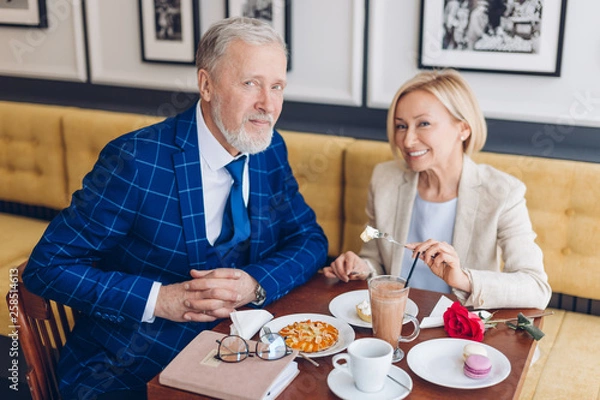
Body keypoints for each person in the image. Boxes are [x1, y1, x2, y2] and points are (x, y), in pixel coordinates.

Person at [23, 17, 327, 399]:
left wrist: (256, 283)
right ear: (206, 85)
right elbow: (47, 268)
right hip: (126, 368)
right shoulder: (135, 160)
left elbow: (310, 238)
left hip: (231, 355)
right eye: (250, 83)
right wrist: (158, 299)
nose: (268, 104)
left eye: (277, 86)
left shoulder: (268, 149)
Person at [324, 69, 550, 311]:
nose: (407, 141)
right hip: (395, 316)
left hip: (459, 326)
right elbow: (374, 256)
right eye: (401, 126)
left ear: (463, 129)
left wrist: (463, 279)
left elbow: (536, 286)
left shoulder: (503, 192)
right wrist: (360, 266)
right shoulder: (384, 179)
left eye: (423, 124)